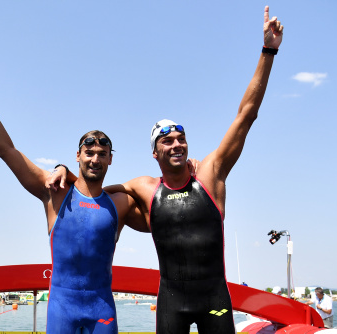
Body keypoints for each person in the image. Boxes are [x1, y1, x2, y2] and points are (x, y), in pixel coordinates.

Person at [48, 6, 283, 334]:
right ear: (154, 152)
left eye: (181, 139)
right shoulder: (144, 188)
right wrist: (65, 170)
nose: (176, 145)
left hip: (215, 299)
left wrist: (268, 50)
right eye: (167, 141)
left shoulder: (211, 175)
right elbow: (95, 188)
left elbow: (246, 115)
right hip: (171, 302)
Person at [0, 57, 149, 334]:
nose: (95, 159)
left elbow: (159, 219)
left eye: (102, 155)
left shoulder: (119, 204)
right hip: (62, 310)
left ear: (111, 160)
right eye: (89, 153)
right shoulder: (54, 191)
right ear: (78, 155)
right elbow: (6, 150)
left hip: (102, 312)